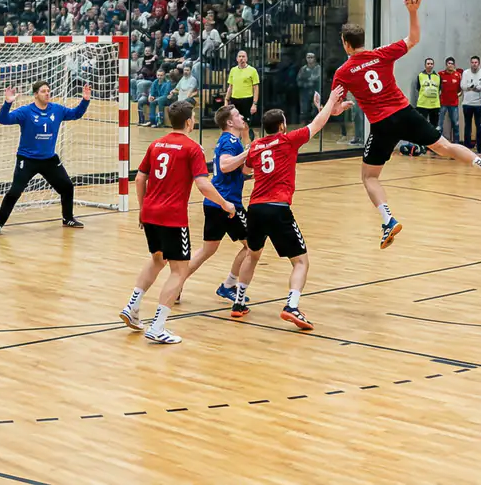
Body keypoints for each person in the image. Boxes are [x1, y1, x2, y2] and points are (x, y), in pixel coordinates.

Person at [330, 1, 481, 251]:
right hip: (405, 112)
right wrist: (413, 10)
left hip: (382, 124)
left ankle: (388, 220)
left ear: (346, 44)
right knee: (445, 146)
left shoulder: (343, 72)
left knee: (369, 176)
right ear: (363, 40)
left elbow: (335, 107)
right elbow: (414, 38)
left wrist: (338, 108)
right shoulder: (382, 53)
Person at [119, 101, 237, 345]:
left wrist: (142, 208)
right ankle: (158, 326)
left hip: (150, 213)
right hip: (172, 216)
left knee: (157, 259)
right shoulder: (192, 148)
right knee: (179, 270)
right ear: (188, 122)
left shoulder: (156, 144)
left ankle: (132, 306)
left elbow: (141, 178)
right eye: (193, 117)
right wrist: (225, 204)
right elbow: (203, 184)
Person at [229, 92, 350, 329]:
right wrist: (329, 103)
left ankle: (238, 303)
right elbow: (317, 124)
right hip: (278, 207)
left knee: (252, 255)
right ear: (282, 126)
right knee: (301, 262)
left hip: (255, 208)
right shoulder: (288, 140)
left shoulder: (255, 146)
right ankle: (291, 306)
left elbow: (245, 171)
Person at [0, 80, 92, 233]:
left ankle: (68, 219)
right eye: (44, 91)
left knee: (67, 187)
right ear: (36, 94)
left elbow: (75, 114)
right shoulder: (26, 111)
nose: (47, 93)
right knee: (15, 191)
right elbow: (3, 119)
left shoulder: (56, 110)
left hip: (49, 160)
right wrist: (7, 103)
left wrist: (85, 100)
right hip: (27, 159)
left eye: (48, 90)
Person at [183, 105, 254, 306]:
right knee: (253, 245)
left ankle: (177, 284)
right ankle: (229, 285)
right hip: (227, 204)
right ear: (229, 122)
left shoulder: (231, 141)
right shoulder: (230, 140)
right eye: (238, 115)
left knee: (207, 250)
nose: (242, 116)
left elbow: (235, 172)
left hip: (215, 202)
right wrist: (248, 152)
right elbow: (224, 165)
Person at [226, 49, 260, 137]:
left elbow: (256, 88)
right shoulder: (233, 70)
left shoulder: (252, 71)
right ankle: (237, 141)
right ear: (237, 59)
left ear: (247, 58)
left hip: (247, 100)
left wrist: (254, 104)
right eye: (240, 56)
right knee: (234, 122)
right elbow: (230, 86)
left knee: (246, 123)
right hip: (235, 99)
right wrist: (226, 100)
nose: (241, 58)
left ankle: (248, 142)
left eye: (243, 56)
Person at [461, 56, 481, 152]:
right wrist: (471, 87)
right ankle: (467, 146)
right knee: (467, 125)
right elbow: (463, 86)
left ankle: (479, 147)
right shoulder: (465, 73)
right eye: (472, 62)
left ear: (479, 63)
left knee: (479, 126)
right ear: (470, 63)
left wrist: (476, 87)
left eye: (476, 62)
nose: (474, 64)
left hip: (479, 104)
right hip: (467, 103)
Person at [438, 57, 463, 145]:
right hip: (442, 103)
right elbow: (437, 88)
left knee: (455, 124)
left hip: (454, 104)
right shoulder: (440, 74)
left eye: (452, 63)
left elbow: (460, 90)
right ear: (446, 64)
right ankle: (438, 144)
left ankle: (456, 144)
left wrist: (458, 95)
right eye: (449, 63)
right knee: (439, 125)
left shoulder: (458, 75)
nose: (450, 65)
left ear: (454, 65)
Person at [415, 57, 442, 130]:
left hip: (434, 105)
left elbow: (439, 89)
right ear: (425, 65)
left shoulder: (438, 76)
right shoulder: (420, 75)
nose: (430, 65)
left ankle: (432, 141)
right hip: (422, 104)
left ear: (433, 65)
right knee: (421, 124)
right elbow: (418, 88)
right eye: (428, 64)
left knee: (434, 126)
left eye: (431, 64)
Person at [296, 52, 323, 122]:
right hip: (305, 93)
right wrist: (306, 84)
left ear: (315, 58)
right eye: (308, 57)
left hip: (316, 92)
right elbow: (298, 81)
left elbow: (320, 79)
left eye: (311, 57)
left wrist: (312, 81)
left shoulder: (318, 68)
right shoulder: (303, 69)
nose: (310, 59)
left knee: (316, 111)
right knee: (304, 112)